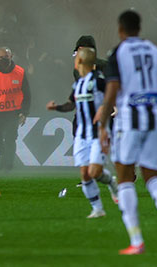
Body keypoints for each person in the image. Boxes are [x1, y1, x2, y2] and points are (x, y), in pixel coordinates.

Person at [94, 10, 157, 255]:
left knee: (124, 179)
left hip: (128, 121)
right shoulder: (156, 52)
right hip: (153, 119)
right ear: (139, 28)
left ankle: (137, 241)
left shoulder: (118, 53)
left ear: (120, 29)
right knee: (152, 176)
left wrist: (103, 124)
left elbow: (112, 90)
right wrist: (152, 106)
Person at [46, 46, 118, 218]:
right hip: (82, 135)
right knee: (85, 174)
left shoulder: (99, 81)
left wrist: (105, 108)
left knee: (94, 172)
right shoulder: (78, 84)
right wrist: (57, 107)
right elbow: (71, 104)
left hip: (98, 133)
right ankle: (98, 209)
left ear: (79, 61)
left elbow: (113, 96)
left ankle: (111, 182)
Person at [0, 47, 30, 171]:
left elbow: (27, 94)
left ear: (11, 56)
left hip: (13, 112)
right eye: (1, 57)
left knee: (10, 139)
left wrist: (24, 112)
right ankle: (4, 153)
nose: (3, 59)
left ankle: (8, 166)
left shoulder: (20, 72)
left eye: (6, 57)